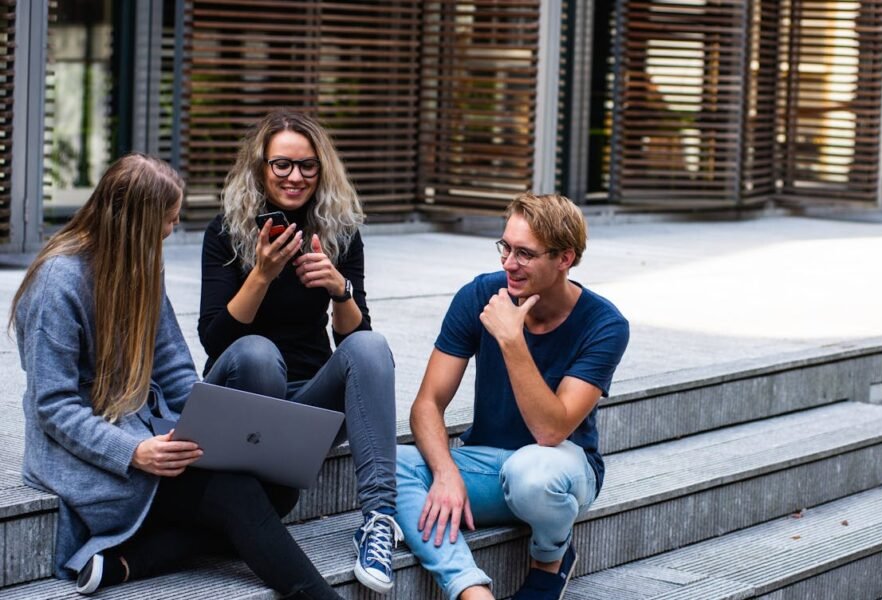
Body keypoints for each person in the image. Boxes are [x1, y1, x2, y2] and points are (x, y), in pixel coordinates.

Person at [11, 154, 342, 599]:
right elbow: (53, 408)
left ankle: (133, 560)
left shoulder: (142, 264)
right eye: (169, 218)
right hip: (86, 454)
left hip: (147, 431)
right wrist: (133, 452)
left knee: (278, 490)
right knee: (236, 495)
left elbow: (173, 368)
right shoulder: (58, 282)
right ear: (137, 222)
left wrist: (214, 428)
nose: (174, 226)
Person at [198, 110, 400, 594]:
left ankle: (379, 520)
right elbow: (215, 341)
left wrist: (339, 289)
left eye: (308, 166)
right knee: (257, 353)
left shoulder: (339, 232)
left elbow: (355, 345)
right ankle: (253, 502)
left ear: (322, 169)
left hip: (307, 406)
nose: (295, 177)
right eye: (282, 164)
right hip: (243, 397)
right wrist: (262, 274)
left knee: (372, 346)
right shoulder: (225, 232)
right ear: (261, 167)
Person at [394, 192, 630, 599]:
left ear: (564, 258)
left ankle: (550, 561)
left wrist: (511, 339)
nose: (508, 263)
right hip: (487, 463)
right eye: (505, 247)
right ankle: (470, 589)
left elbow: (550, 431)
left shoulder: (604, 324)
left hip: (560, 472)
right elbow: (427, 403)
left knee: (531, 472)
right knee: (390, 464)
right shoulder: (480, 295)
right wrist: (446, 473)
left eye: (525, 254)